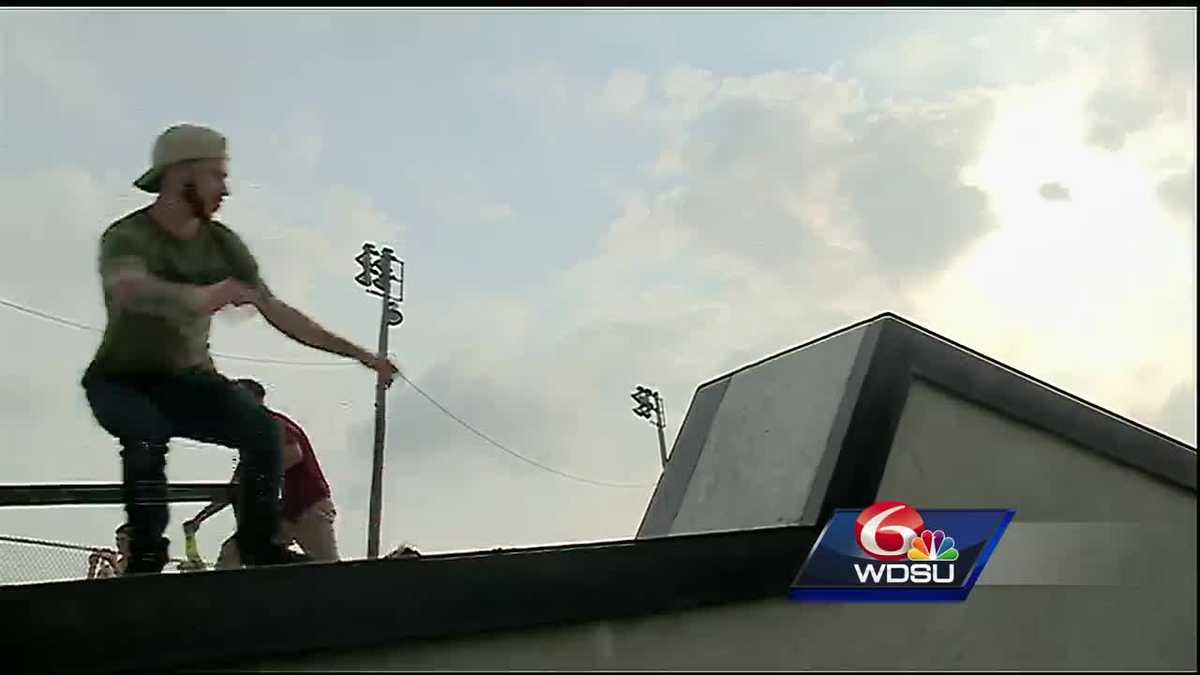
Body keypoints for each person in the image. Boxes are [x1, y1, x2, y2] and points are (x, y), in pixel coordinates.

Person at [80, 123, 398, 575]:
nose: (225, 190)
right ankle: (147, 554)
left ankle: (259, 547)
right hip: (121, 382)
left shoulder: (222, 245)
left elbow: (279, 312)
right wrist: (207, 296)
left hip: (191, 383)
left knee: (264, 434)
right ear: (181, 176)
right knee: (145, 432)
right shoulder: (127, 236)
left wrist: (360, 354)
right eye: (216, 176)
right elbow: (131, 290)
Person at [185, 378, 339, 568]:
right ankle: (223, 595)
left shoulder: (273, 423)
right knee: (234, 551)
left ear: (255, 400)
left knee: (329, 568)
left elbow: (294, 453)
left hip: (308, 507)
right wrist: (199, 519)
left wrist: (260, 480)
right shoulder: (249, 438)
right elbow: (235, 486)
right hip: (282, 513)